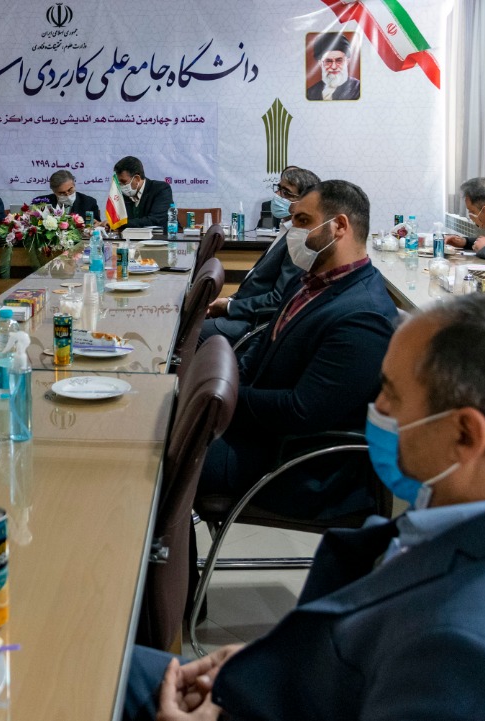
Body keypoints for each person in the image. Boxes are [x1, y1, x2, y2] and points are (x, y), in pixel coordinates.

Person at [126, 293, 485, 721]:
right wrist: (267, 663)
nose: (377, 408)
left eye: (390, 393)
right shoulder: (461, 514)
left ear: (464, 434)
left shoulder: (467, 654)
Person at [197, 180, 398, 517]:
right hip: (256, 432)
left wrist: (219, 399)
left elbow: (301, 411)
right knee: (158, 436)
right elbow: (263, 342)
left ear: (339, 226)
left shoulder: (364, 315)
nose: (293, 230)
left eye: (303, 221)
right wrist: (225, 386)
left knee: (157, 463)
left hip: (294, 465)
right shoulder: (307, 281)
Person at [200, 166, 320, 345]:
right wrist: (229, 300)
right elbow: (257, 285)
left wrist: (229, 306)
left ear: (304, 201)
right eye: (278, 188)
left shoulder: (299, 240)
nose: (277, 195)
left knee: (189, 332)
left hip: (253, 324)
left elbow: (279, 299)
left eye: (286, 192)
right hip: (243, 312)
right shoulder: (286, 230)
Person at [112, 156, 173, 228]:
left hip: (164, 234)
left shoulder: (161, 189)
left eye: (123, 182)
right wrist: (110, 224)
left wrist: (119, 224)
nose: (121, 186)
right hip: (132, 234)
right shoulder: (124, 194)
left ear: (137, 178)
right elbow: (120, 219)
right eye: (119, 182)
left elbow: (154, 220)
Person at [306, 33, 361, 101]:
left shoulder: (358, 89)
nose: (334, 67)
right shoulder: (310, 93)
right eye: (328, 61)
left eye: (339, 60)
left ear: (347, 62)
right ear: (320, 63)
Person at [32, 170, 100, 219]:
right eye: (62, 193)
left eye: (70, 190)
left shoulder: (89, 202)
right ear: (54, 191)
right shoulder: (41, 203)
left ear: (74, 185)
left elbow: (97, 225)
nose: (67, 195)